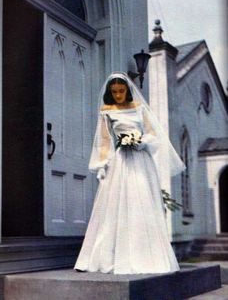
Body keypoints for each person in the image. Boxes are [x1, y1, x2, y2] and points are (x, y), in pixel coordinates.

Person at [74, 71, 186, 274]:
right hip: (121, 162)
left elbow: (153, 134)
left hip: (141, 160)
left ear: (127, 90)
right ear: (110, 92)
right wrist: (102, 165)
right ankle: (113, 256)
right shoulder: (106, 111)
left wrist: (141, 142)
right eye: (115, 92)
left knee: (141, 201)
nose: (118, 95)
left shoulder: (139, 109)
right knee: (116, 205)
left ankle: (147, 255)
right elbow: (104, 140)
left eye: (122, 91)